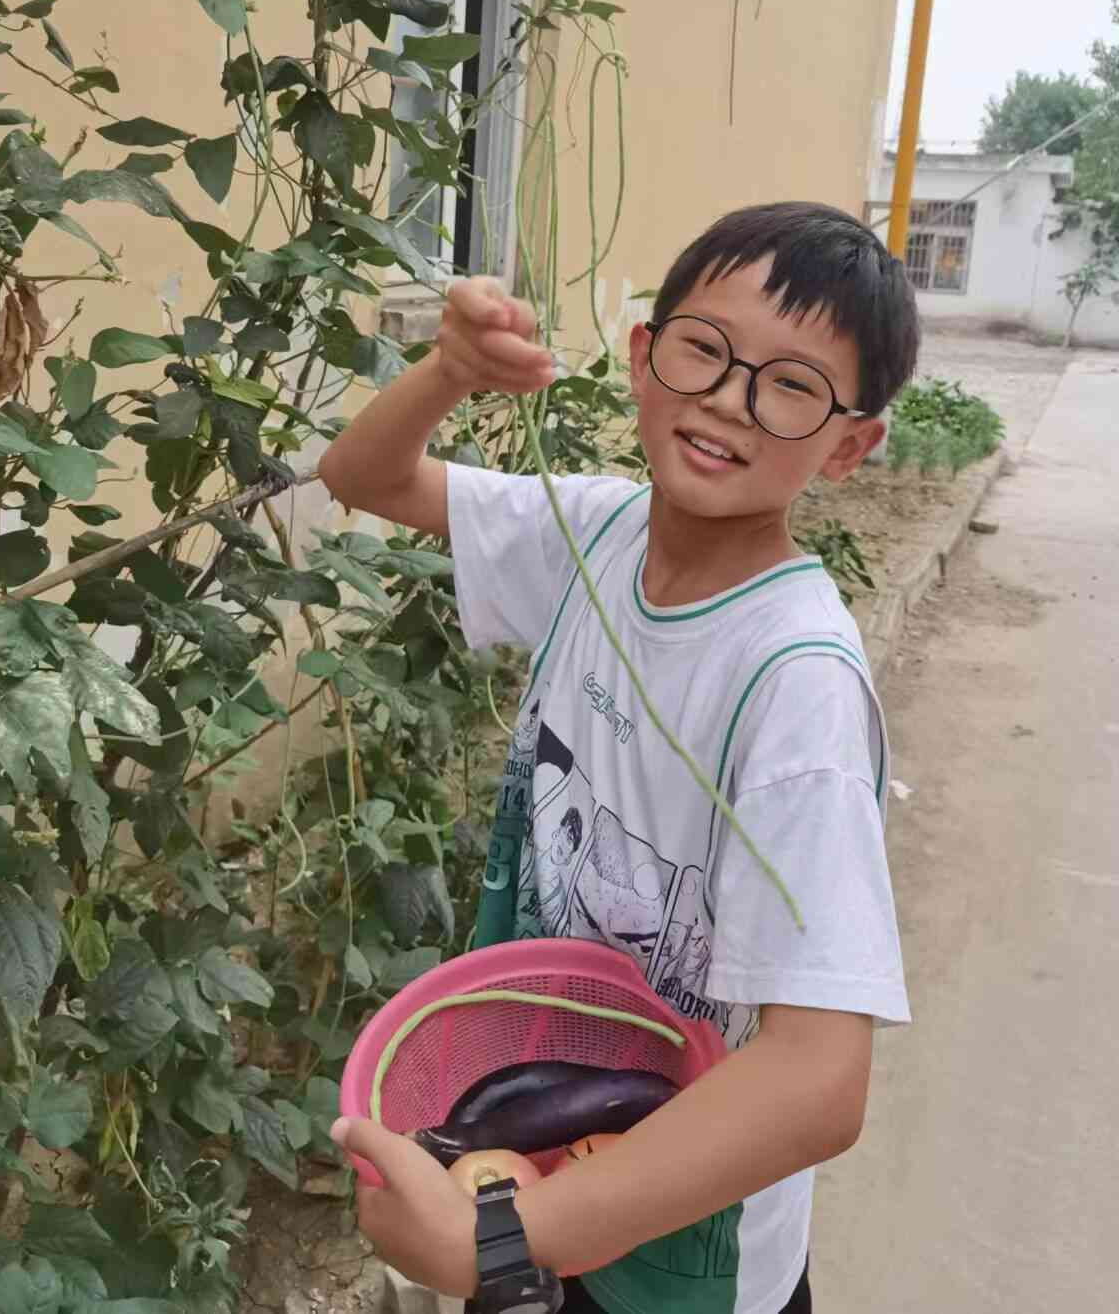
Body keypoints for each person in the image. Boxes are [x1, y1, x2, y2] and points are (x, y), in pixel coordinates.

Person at [322, 203, 919, 1314]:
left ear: (848, 445)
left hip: (680, 1252)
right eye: (705, 349)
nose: (729, 399)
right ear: (644, 357)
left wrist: (500, 1244)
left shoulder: (794, 682)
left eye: (792, 385)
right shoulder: (598, 535)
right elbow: (364, 476)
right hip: (548, 1157)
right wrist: (450, 371)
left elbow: (817, 1078)